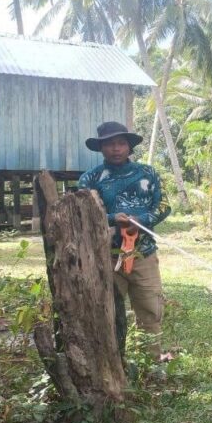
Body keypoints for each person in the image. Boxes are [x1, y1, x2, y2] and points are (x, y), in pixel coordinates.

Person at [79, 121, 171, 360]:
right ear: (101, 148)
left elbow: (164, 205)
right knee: (107, 311)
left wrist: (141, 220)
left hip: (144, 254)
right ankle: (112, 364)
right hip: (106, 257)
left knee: (150, 310)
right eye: (109, 144)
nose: (116, 148)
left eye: (121, 143)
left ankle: (151, 363)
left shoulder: (148, 173)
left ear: (129, 146)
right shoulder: (90, 179)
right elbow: (82, 213)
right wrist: (111, 218)